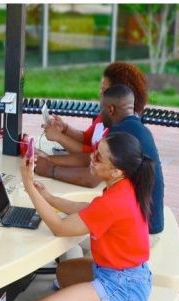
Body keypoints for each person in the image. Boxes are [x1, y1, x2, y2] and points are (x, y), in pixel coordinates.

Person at [20, 131, 155, 301]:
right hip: (126, 275)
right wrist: (50, 198)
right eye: (95, 151)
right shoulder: (126, 185)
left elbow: (60, 228)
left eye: (99, 157)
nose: (92, 157)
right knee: (64, 272)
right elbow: (88, 210)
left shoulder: (115, 201)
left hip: (122, 287)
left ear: (116, 170)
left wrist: (28, 185)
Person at [38, 84, 164, 239]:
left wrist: (50, 170)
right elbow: (89, 157)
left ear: (110, 110)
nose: (99, 115)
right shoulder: (134, 127)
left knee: (69, 236)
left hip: (142, 233)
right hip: (145, 223)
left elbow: (89, 179)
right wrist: (49, 160)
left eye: (101, 109)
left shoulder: (120, 135)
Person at [36, 62, 149, 184]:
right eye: (101, 89)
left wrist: (50, 166)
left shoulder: (122, 131)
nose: (100, 94)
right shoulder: (110, 114)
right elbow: (88, 140)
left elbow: (91, 173)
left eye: (105, 90)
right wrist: (65, 129)